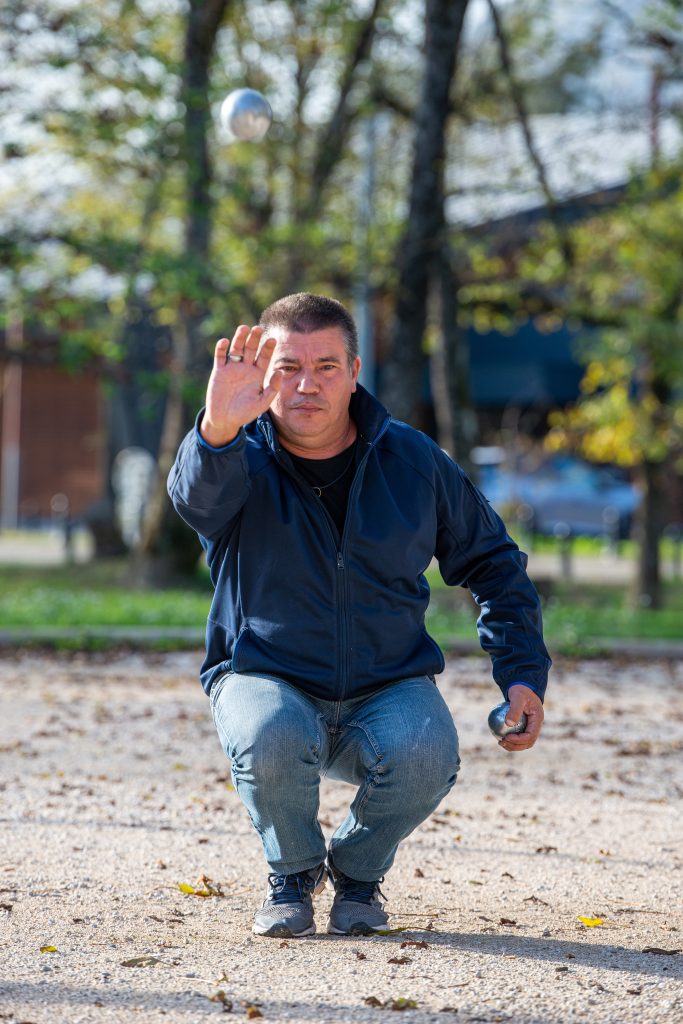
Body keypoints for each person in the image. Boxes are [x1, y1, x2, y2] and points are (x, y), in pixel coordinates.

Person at [168, 292, 551, 940]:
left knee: (426, 751)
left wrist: (521, 675)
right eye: (288, 367)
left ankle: (357, 873)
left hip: (386, 682)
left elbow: (494, 564)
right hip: (265, 674)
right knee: (269, 736)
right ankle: (292, 875)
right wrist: (216, 429)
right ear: (263, 376)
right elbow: (194, 504)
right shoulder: (234, 454)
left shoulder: (412, 461)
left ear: (353, 371)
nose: (306, 384)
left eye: (324, 366)